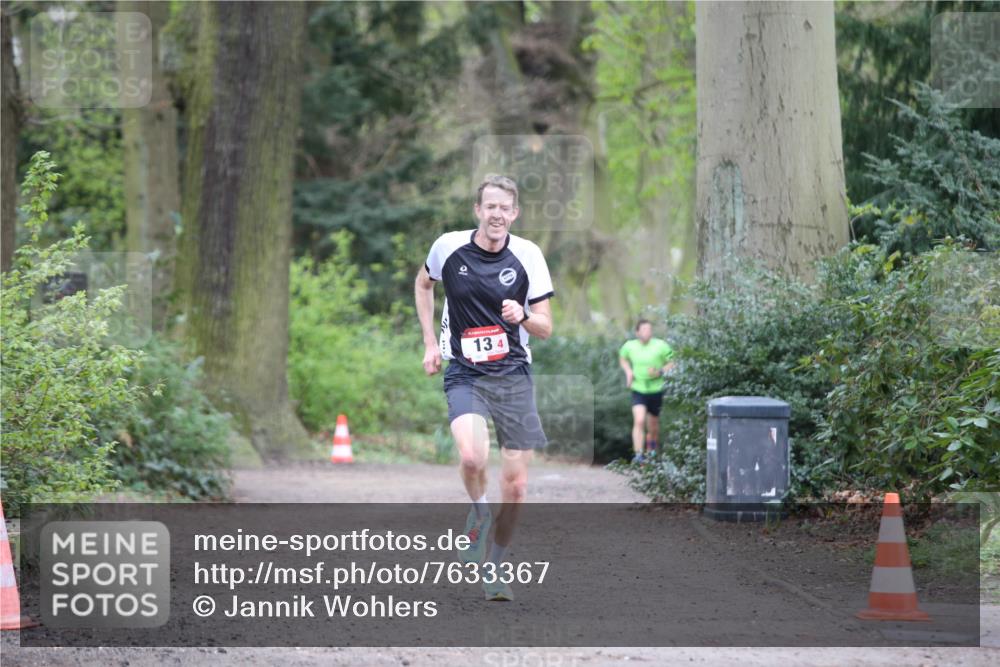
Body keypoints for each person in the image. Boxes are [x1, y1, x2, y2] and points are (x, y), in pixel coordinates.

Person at [414, 174, 554, 601]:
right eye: (489, 206)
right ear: (478, 211)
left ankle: (495, 566)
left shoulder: (529, 256)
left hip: (512, 373)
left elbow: (546, 328)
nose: (497, 214)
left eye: (504, 208)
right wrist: (428, 343)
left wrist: (522, 316)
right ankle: (478, 512)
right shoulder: (447, 248)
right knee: (473, 457)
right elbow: (422, 285)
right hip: (466, 371)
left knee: (516, 486)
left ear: (515, 213)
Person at [619, 319, 675, 463]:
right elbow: (622, 358)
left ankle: (652, 455)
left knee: (653, 429)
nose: (647, 332)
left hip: (656, 390)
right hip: (638, 389)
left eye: (649, 329)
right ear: (637, 332)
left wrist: (660, 371)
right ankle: (638, 455)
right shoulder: (629, 346)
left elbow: (673, 361)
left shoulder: (660, 345)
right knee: (639, 420)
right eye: (644, 330)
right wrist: (628, 372)